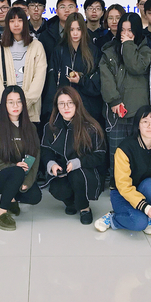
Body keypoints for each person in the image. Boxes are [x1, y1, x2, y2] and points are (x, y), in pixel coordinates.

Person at [94, 106, 151, 235]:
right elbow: (123, 185)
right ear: (138, 125)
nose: (150, 126)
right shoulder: (125, 148)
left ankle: (146, 217)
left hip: (144, 189)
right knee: (138, 223)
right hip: (122, 194)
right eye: (145, 121)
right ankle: (112, 218)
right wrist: (145, 207)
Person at [0, 86, 43, 231]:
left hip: (17, 174)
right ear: (4, 104)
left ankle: (11, 198)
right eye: (10, 102)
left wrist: (27, 182)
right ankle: (1, 213)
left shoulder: (30, 128)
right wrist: (12, 166)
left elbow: (35, 156)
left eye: (19, 101)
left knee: (35, 196)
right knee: (16, 172)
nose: (15, 106)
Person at [99, 12, 151, 184]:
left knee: (138, 151)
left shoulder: (145, 50)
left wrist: (128, 44)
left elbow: (136, 66)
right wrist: (114, 100)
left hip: (138, 110)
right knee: (117, 151)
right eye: (123, 30)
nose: (126, 34)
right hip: (117, 110)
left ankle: (137, 184)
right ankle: (117, 184)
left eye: (130, 30)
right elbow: (105, 78)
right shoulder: (109, 50)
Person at [41, 86, 106, 225]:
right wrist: (51, 164)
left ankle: (84, 208)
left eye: (70, 103)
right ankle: (71, 203)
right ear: (56, 106)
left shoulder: (91, 127)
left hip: (85, 170)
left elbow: (100, 155)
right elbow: (45, 150)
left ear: (77, 103)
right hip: (62, 170)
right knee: (57, 188)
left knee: (77, 176)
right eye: (62, 103)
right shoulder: (50, 127)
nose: (66, 107)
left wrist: (78, 162)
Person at [0, 7, 47, 123]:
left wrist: (24, 103)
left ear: (25, 22)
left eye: (20, 20)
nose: (16, 24)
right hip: (5, 110)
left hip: (30, 110)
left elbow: (39, 77)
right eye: (12, 21)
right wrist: (8, 104)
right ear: (7, 24)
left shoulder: (37, 46)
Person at [45, 12, 103, 122]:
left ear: (83, 30)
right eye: (72, 29)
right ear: (67, 30)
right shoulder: (59, 50)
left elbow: (97, 85)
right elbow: (52, 82)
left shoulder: (93, 51)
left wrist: (81, 80)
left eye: (78, 29)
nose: (75, 33)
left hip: (87, 110)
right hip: (63, 109)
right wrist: (51, 110)